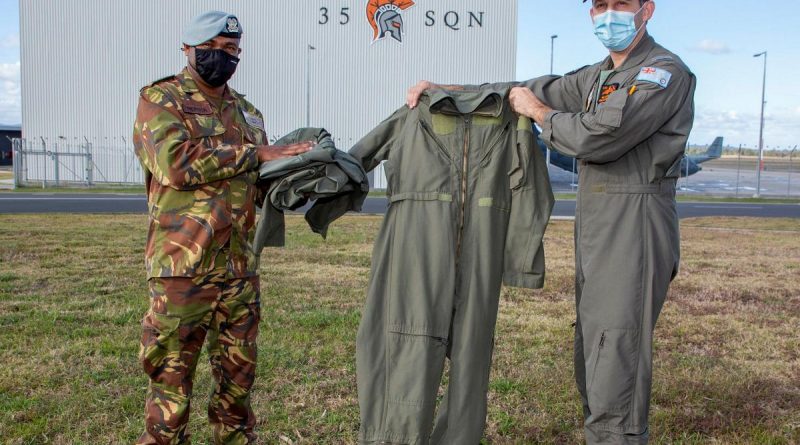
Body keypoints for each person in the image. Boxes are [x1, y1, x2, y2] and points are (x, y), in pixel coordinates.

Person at [406, 0, 696, 443]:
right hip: (599, 224)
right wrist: (442, 88)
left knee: (616, 349)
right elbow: (522, 88)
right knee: (594, 347)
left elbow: (601, 135)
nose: (608, 14)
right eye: (600, 5)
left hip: (634, 223)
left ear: (647, 10)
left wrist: (540, 115)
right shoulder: (598, 76)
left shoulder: (661, 72)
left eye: (621, 4)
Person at [132, 11, 311, 444]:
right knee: (171, 389)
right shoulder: (162, 99)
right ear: (189, 49)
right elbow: (174, 163)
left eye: (232, 49)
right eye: (213, 47)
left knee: (237, 388)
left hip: (239, 271)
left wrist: (298, 179)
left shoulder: (248, 112)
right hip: (183, 269)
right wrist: (256, 155)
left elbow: (259, 182)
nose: (223, 56)